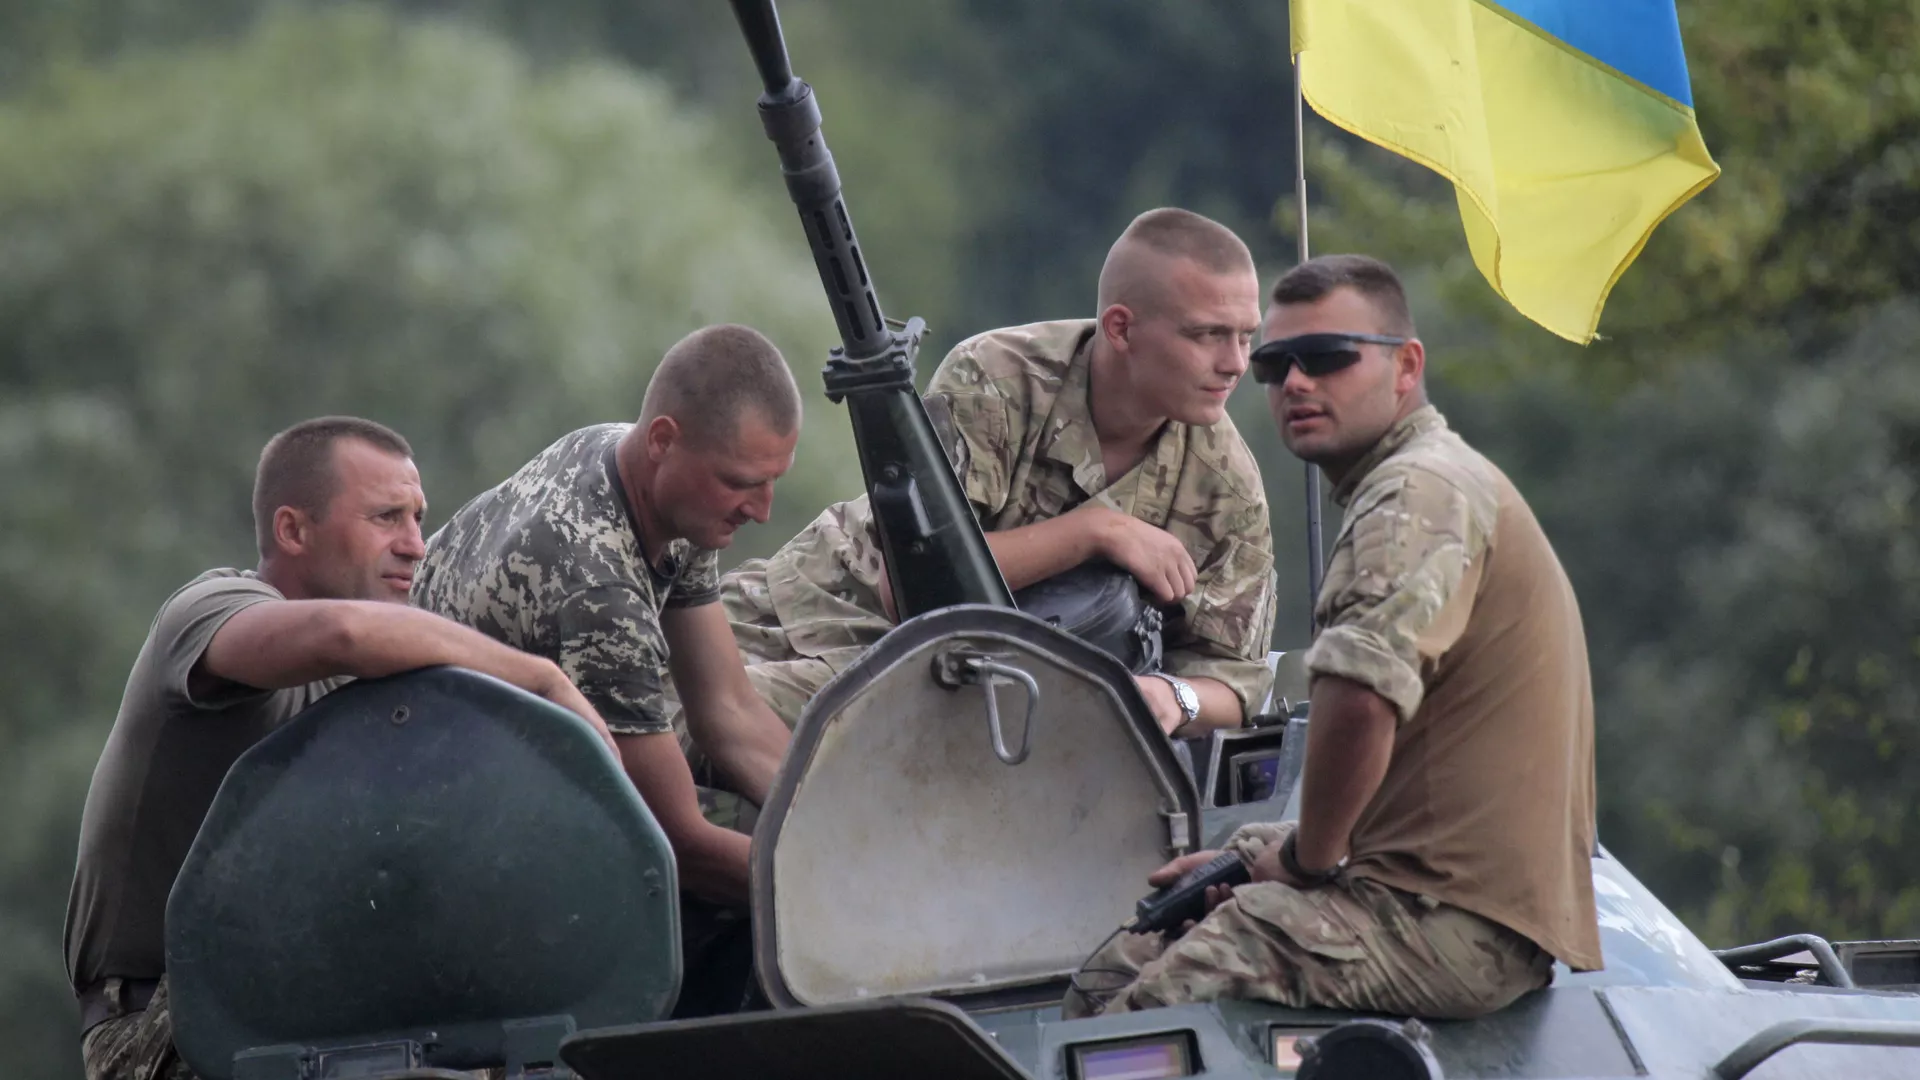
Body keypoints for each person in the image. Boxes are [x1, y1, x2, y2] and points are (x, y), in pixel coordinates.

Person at [1066, 254, 1601, 1020]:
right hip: (1411, 893)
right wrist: (1268, 850)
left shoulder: (1415, 494)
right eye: (1276, 365)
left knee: (1149, 1015)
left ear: (1406, 366)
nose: (1295, 385)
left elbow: (1359, 699)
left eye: (1327, 359)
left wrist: (1304, 858)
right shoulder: (1421, 482)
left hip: (1458, 924)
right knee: (1121, 963)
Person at [66, 417, 616, 1080]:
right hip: (170, 1028)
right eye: (386, 518)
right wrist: (543, 679)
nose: (415, 545)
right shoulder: (211, 610)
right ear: (294, 530)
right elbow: (343, 633)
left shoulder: (376, 690)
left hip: (314, 1014)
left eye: (419, 518)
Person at [722, 207, 1279, 737]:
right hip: (825, 614)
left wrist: (1174, 696)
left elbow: (1238, 680)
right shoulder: (998, 378)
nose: (1235, 363)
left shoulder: (1226, 487)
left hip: (978, 702)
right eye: (1208, 334)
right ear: (1121, 329)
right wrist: (1097, 532)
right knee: (669, 715)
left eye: (1246, 336)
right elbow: (916, 589)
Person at [410, 323, 801, 1014]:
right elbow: (675, 842)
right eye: (743, 484)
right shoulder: (598, 589)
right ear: (663, 442)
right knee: (746, 904)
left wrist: (838, 820)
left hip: (513, 770)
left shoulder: (647, 474)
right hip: (443, 829)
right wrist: (843, 884)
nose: (763, 512)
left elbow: (730, 714)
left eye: (772, 483)